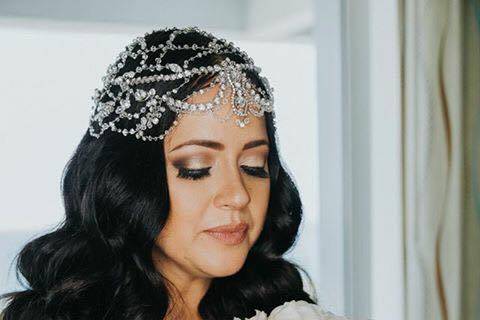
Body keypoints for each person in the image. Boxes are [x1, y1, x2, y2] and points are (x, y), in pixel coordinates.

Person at [1, 27, 347, 320]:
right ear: (126, 179)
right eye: (196, 169)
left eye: (254, 166)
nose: (238, 195)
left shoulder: (288, 309)